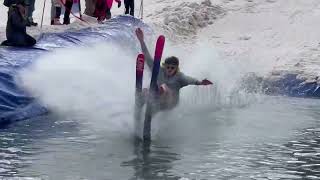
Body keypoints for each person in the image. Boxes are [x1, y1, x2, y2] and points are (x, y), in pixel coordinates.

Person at [135, 28, 213, 113]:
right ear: (164, 66)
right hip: (157, 102)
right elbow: (147, 57)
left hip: (170, 103)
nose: (169, 70)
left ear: (176, 68)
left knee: (163, 88)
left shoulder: (180, 77)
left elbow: (192, 80)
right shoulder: (159, 71)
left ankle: (153, 97)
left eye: (172, 68)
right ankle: (141, 104)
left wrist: (201, 82)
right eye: (168, 67)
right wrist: (141, 41)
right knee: (146, 91)